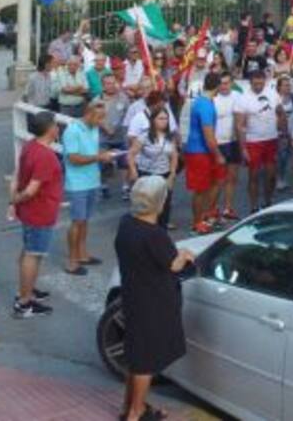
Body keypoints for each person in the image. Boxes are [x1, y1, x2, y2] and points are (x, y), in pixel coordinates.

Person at [114, 176, 194, 421]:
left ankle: (129, 407)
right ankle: (136, 413)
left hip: (133, 296)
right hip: (154, 303)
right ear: (159, 202)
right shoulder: (154, 235)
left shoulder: (127, 223)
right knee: (146, 362)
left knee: (136, 357)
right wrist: (184, 256)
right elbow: (173, 265)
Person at [9, 111, 62, 318]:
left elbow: (17, 175)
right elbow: (31, 190)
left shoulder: (29, 146)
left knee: (28, 250)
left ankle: (27, 290)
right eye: (56, 125)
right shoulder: (45, 155)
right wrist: (15, 200)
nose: (58, 128)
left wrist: (13, 200)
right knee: (33, 254)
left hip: (30, 212)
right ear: (50, 129)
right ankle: (24, 302)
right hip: (40, 212)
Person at [62, 99, 117, 275]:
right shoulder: (72, 130)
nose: (101, 121)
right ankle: (72, 261)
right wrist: (98, 158)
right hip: (77, 183)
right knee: (77, 221)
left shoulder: (93, 128)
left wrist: (104, 154)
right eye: (99, 117)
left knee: (84, 220)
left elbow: (91, 152)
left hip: (92, 179)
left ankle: (82, 254)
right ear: (89, 113)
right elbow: (73, 159)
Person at [183, 72, 224, 234]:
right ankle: (197, 223)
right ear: (218, 86)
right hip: (199, 152)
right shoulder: (206, 105)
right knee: (200, 189)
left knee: (213, 183)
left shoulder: (202, 101)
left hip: (201, 150)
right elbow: (208, 134)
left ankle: (206, 215)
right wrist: (218, 155)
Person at [238, 68, 282, 211]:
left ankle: (268, 201)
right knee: (254, 175)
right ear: (250, 83)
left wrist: (283, 131)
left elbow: (280, 112)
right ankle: (254, 206)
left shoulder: (273, 94)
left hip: (271, 139)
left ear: (265, 82)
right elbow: (240, 125)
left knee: (271, 175)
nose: (258, 87)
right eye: (255, 84)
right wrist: (243, 148)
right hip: (253, 141)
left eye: (261, 84)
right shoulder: (243, 98)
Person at [128, 106, 177, 228]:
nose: (164, 121)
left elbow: (174, 156)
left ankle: (161, 232)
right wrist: (133, 171)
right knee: (146, 207)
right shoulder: (144, 136)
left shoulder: (170, 137)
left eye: (166, 119)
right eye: (160, 118)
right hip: (147, 174)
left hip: (163, 174)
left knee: (164, 207)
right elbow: (131, 154)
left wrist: (172, 174)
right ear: (153, 120)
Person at [213, 73, 241, 221]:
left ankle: (228, 208)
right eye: (221, 83)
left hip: (234, 142)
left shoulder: (237, 96)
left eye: (227, 83)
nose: (224, 86)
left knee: (232, 177)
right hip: (219, 142)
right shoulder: (213, 99)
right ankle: (213, 209)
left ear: (231, 83)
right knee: (218, 179)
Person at [51, 54, 89, 119]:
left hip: (79, 107)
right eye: (70, 64)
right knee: (64, 126)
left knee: (77, 127)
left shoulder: (81, 72)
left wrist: (69, 90)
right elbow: (64, 90)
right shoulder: (61, 73)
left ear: (78, 65)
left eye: (75, 64)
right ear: (67, 64)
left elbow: (86, 89)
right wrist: (79, 88)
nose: (72, 66)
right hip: (66, 107)